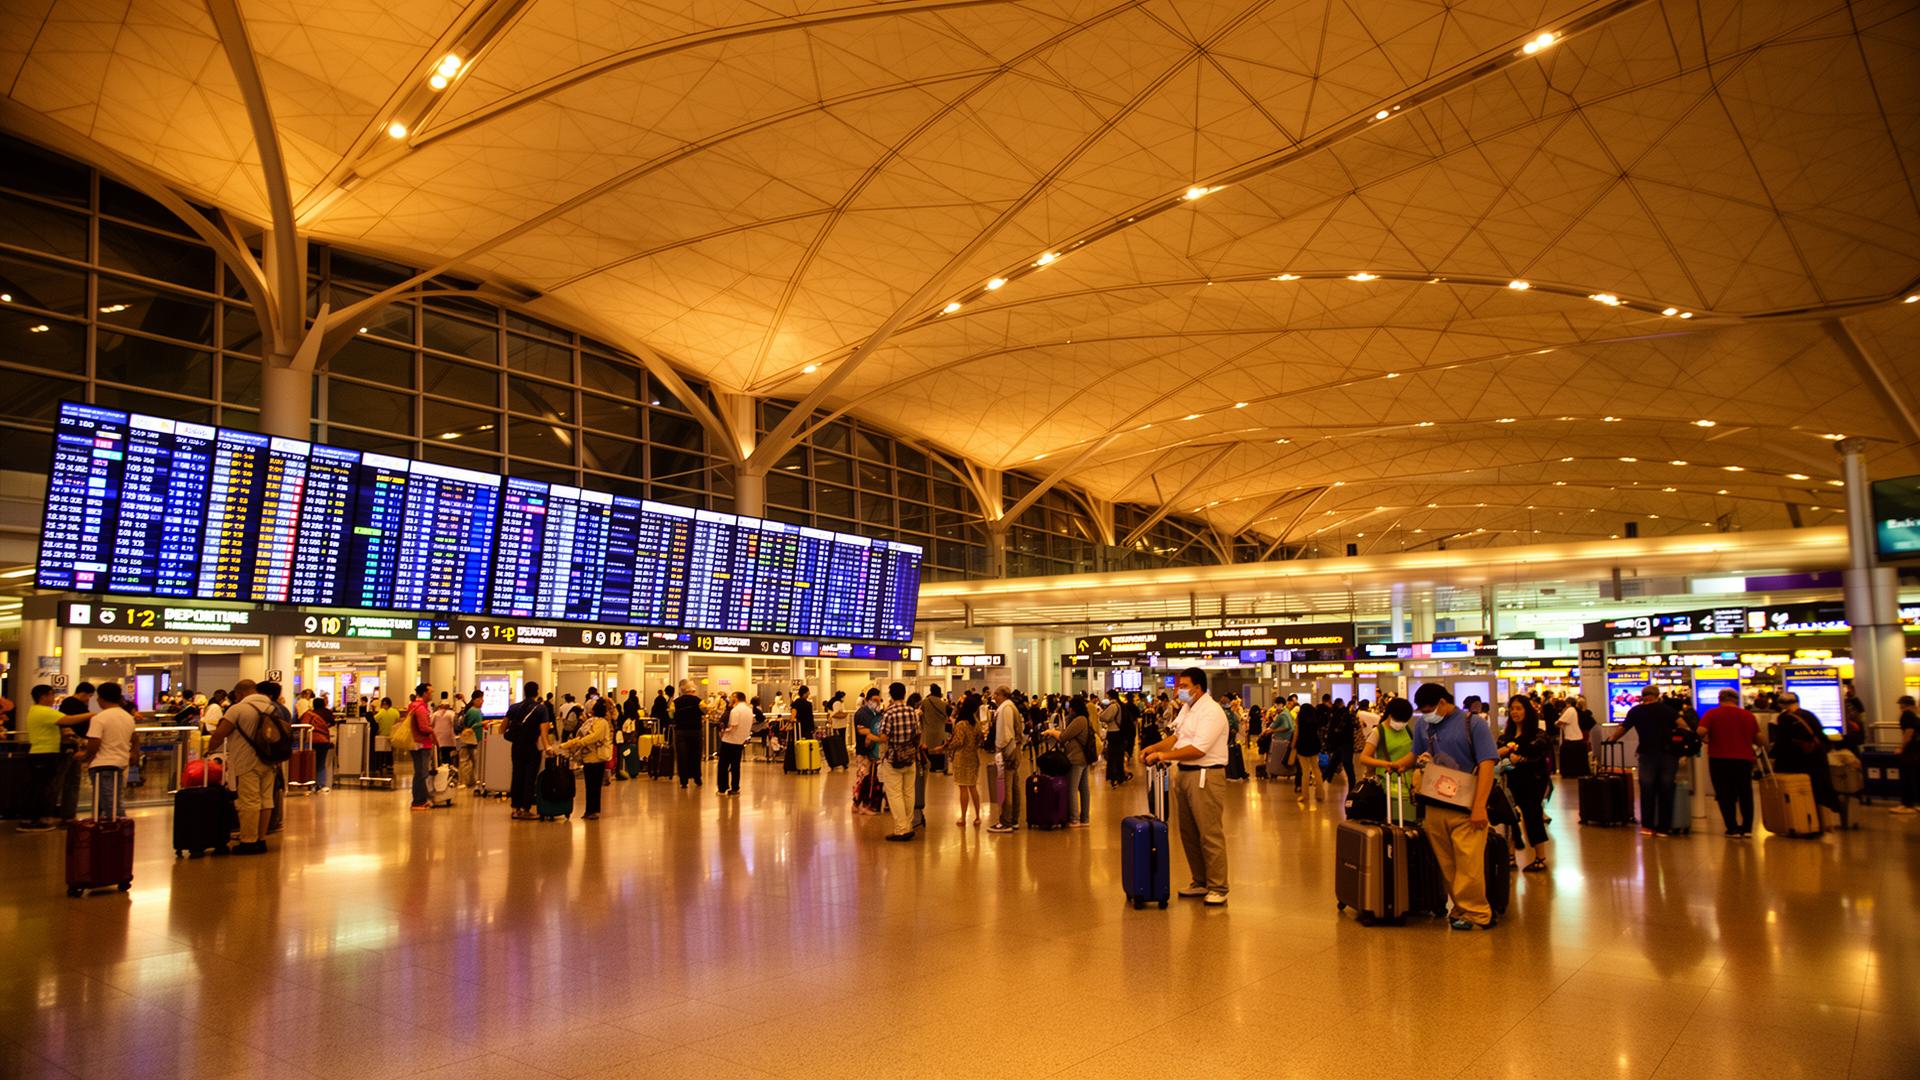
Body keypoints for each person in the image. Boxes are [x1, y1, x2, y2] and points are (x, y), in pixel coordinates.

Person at [1384, 683, 1498, 930]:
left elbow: (1487, 764)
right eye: (1423, 711)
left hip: (1466, 806)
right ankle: (1460, 908)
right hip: (1435, 803)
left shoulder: (1473, 724)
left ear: (1443, 703)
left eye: (1429, 710)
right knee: (1446, 864)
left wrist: (1480, 806)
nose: (1427, 715)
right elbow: (1415, 754)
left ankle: (1478, 913)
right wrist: (1399, 765)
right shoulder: (1423, 725)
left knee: (1469, 864)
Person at [1141, 667, 1231, 905]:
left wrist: (1163, 756)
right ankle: (1200, 881)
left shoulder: (1211, 711)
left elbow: (1199, 749)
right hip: (1184, 773)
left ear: (1197, 688)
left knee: (1209, 833)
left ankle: (1218, 887)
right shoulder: (1188, 709)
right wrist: (1154, 748)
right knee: (1189, 832)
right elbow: (1176, 738)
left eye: (1183, 686)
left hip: (1205, 776)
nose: (1179, 690)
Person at [204, 679, 277, 854]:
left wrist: (209, 750)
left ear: (239, 693)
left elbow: (220, 734)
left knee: (249, 801)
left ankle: (249, 841)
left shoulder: (237, 709)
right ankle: (261, 839)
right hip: (269, 760)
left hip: (246, 762)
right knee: (266, 799)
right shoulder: (272, 708)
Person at [1606, 685, 1687, 836]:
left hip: (1646, 754)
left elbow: (1623, 728)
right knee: (1666, 789)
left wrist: (1612, 739)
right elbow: (1684, 726)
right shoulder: (1668, 710)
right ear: (1657, 695)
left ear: (1643, 696)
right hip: (1668, 754)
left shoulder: (1636, 711)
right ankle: (1664, 827)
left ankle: (1647, 826)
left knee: (1647, 789)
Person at [1696, 688, 1762, 836]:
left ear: (1720, 699)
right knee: (1745, 793)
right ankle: (1747, 828)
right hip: (1744, 759)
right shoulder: (1748, 715)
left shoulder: (1712, 714)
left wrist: (1706, 739)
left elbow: (1700, 731)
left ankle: (1732, 828)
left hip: (1719, 758)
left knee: (1725, 794)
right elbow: (1759, 739)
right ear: (1736, 700)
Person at [1500, 697, 1554, 872]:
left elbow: (1539, 754)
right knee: (1509, 817)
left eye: (1519, 708)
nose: (1515, 712)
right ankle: (1510, 856)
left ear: (1527, 711)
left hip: (1533, 781)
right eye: (1512, 709)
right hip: (1511, 781)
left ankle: (1540, 857)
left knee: (1533, 815)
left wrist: (1521, 759)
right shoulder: (1506, 736)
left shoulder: (1538, 734)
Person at [18, 684, 79, 833]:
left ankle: (33, 819)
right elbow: (69, 720)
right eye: (51, 695)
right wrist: (92, 715)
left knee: (38, 787)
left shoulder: (36, 710)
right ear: (43, 697)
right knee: (42, 788)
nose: (53, 698)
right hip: (44, 754)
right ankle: (37, 821)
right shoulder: (43, 711)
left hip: (41, 753)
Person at [1770, 692, 1838, 813]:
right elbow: (1822, 736)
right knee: (1817, 792)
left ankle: (1802, 817)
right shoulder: (1809, 715)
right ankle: (1821, 817)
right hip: (1816, 760)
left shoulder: (1783, 718)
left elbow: (1782, 742)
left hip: (1795, 763)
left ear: (1780, 704)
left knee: (1799, 795)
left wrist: (1772, 756)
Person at [1357, 697, 1416, 823]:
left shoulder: (1407, 730)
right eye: (1399, 719)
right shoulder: (1378, 732)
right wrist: (1387, 764)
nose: (1402, 723)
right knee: (1393, 821)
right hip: (1387, 784)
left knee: (1409, 822)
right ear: (1390, 715)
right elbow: (1364, 757)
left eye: (1405, 720)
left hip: (1409, 785)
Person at [875, 682, 920, 841]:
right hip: (910, 756)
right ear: (904, 693)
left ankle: (901, 829)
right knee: (909, 792)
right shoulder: (912, 711)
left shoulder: (889, 713)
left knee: (895, 794)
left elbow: (883, 737)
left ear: (891, 695)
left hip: (893, 758)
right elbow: (917, 733)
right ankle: (908, 825)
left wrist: (870, 736)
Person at [1043, 695, 1096, 827]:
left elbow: (1063, 736)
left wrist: (1051, 731)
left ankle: (1074, 819)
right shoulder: (1086, 719)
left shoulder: (1079, 720)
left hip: (1076, 758)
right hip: (1084, 758)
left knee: (1072, 789)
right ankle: (1085, 818)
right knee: (1084, 788)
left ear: (1073, 708)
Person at [558, 699, 613, 819]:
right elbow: (583, 736)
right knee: (591, 786)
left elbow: (593, 736)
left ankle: (594, 811)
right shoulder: (598, 722)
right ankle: (589, 810)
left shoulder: (597, 723)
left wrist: (577, 743)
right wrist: (568, 744)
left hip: (595, 758)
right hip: (591, 758)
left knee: (593, 786)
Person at [504, 682, 549, 820]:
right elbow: (543, 732)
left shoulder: (514, 707)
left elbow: (502, 728)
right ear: (537, 692)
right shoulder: (541, 709)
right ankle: (525, 808)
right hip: (532, 747)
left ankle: (515, 808)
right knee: (530, 777)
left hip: (517, 746)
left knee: (517, 775)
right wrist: (547, 747)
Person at [987, 686, 1026, 833]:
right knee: (1014, 786)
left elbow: (1006, 734)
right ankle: (1014, 819)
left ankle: (1006, 821)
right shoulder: (1011, 706)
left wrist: (1002, 752)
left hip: (1007, 752)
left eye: (996, 694)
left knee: (1005, 787)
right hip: (1014, 750)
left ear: (1002, 695)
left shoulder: (1005, 709)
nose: (994, 697)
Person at [914, 684, 951, 829]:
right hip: (940, 731)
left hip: (928, 732)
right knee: (942, 751)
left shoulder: (925, 702)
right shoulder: (944, 703)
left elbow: (920, 714)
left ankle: (929, 768)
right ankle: (944, 768)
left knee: (927, 752)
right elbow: (949, 716)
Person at [942, 697, 983, 826]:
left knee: (963, 788)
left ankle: (963, 817)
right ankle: (977, 816)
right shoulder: (976, 723)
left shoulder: (961, 724)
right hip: (974, 757)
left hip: (961, 759)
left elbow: (958, 742)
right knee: (973, 787)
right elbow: (979, 739)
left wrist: (946, 746)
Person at [406, 682, 436, 811]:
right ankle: (418, 801)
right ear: (424, 693)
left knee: (419, 772)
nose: (432, 695)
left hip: (416, 743)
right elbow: (423, 727)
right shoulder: (420, 708)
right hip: (422, 744)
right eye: (430, 692)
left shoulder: (414, 706)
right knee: (421, 773)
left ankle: (421, 800)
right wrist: (432, 731)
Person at [672, 679, 705, 788]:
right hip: (695, 731)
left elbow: (671, 715)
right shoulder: (699, 701)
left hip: (681, 731)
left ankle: (683, 781)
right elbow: (706, 710)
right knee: (696, 755)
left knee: (682, 756)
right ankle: (697, 778)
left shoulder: (675, 702)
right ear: (692, 690)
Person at [718, 692, 752, 796]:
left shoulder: (735, 710)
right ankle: (735, 788)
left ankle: (722, 788)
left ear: (735, 698)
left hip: (729, 741)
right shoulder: (749, 710)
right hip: (740, 741)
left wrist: (723, 731)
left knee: (723, 765)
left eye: (731, 697)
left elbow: (733, 726)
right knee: (735, 766)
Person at [1291, 703, 1325, 804]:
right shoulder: (1315, 719)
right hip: (1314, 745)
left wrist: (1292, 745)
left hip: (1302, 746)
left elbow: (1296, 733)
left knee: (1305, 772)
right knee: (1316, 769)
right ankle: (1320, 794)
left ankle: (1305, 795)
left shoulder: (1299, 719)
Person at [1894, 696, 1919, 815]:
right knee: (1915, 777)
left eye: (1901, 704)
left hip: (1910, 751)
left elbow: (1909, 732)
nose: (1899, 706)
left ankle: (1907, 804)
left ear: (1904, 704)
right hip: (1917, 750)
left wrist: (1901, 747)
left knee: (1907, 777)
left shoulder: (1906, 715)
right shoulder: (1915, 715)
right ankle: (1915, 804)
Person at [305, 693, 335, 792]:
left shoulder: (311, 714)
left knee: (311, 763)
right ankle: (321, 784)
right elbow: (333, 723)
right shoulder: (327, 712)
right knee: (321, 763)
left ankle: (311, 784)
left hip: (311, 740)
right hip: (323, 740)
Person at [1555, 694, 1590, 778]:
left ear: (1568, 703)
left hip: (1572, 738)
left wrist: (1556, 723)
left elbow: (1560, 721)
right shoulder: (1574, 710)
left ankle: (1569, 773)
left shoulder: (1570, 710)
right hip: (1577, 737)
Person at [457, 692, 486, 790]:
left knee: (467, 761)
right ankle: (468, 781)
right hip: (473, 739)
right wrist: (482, 723)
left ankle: (468, 781)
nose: (482, 701)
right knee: (470, 761)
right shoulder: (475, 712)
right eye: (481, 699)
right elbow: (472, 726)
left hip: (469, 739)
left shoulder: (472, 710)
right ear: (476, 700)